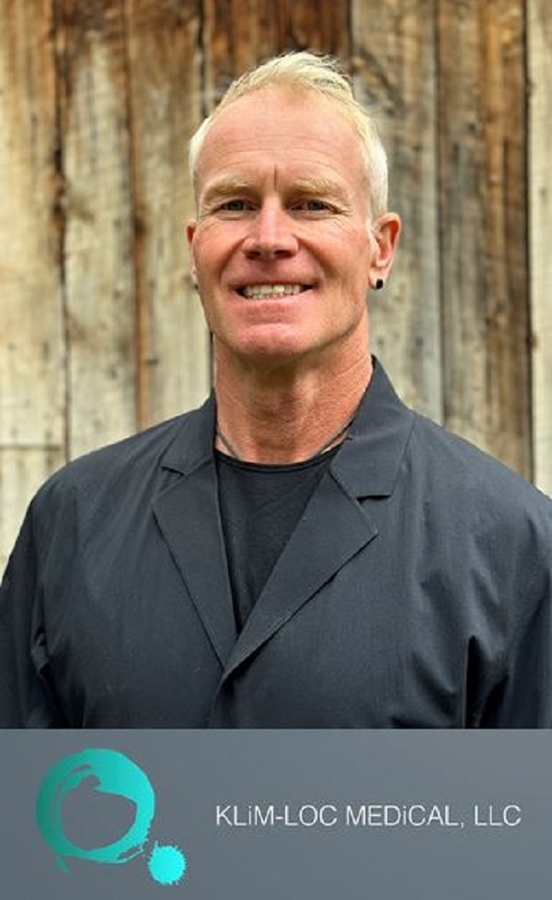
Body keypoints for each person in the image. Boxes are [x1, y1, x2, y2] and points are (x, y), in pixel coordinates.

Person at [0, 52, 551, 728]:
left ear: (380, 248)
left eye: (311, 204)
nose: (268, 238)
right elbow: (23, 795)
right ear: (195, 247)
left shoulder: (513, 547)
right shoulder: (72, 525)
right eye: (234, 204)